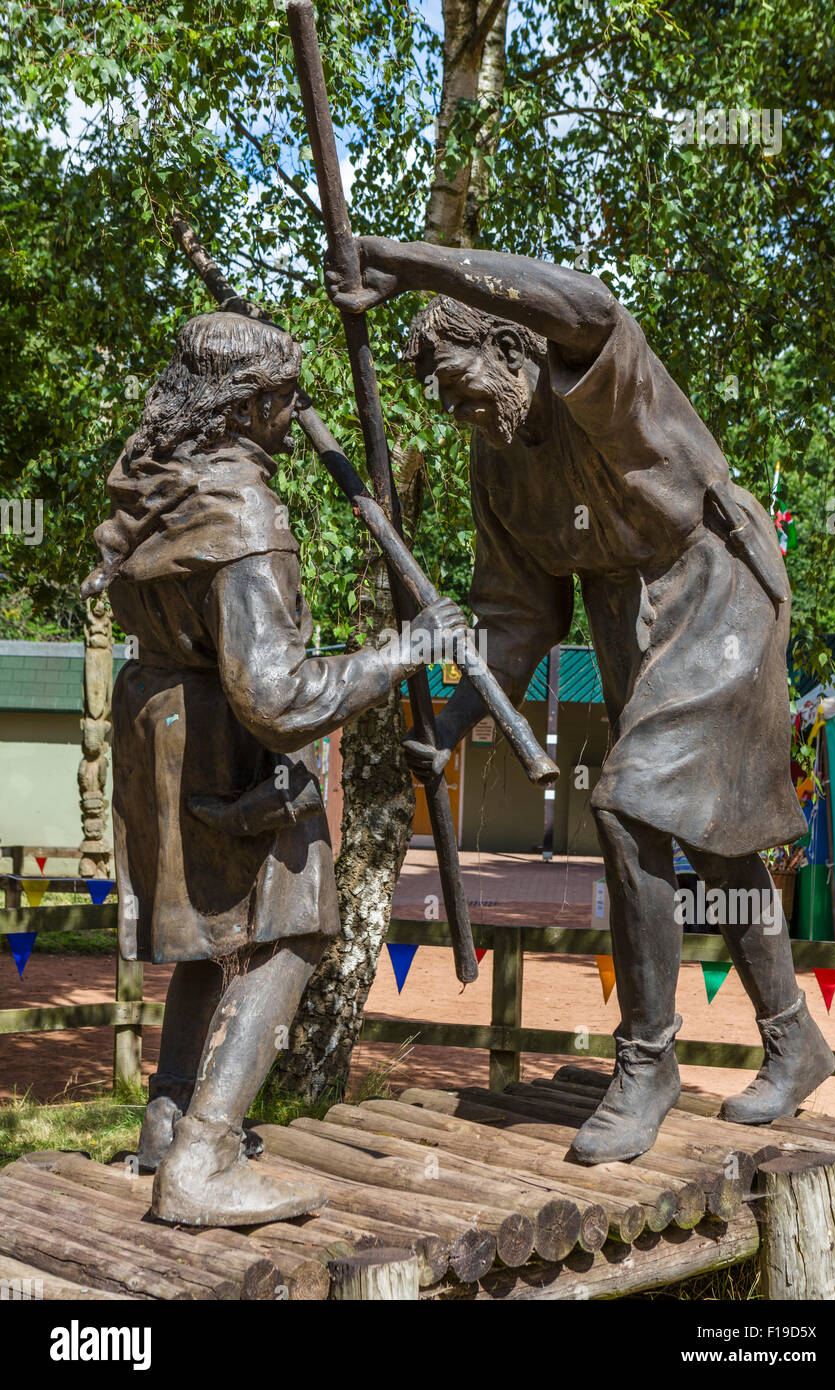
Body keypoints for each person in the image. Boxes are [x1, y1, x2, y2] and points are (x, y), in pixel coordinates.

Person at [326, 237, 835, 1164]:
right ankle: (797, 1039)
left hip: (717, 591)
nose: (453, 409)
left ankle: (646, 1062)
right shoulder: (497, 466)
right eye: (438, 398)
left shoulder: (598, 383)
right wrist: (451, 723)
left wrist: (409, 260)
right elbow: (514, 620)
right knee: (711, 837)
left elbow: (591, 304)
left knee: (627, 803)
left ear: (514, 350)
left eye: (458, 381)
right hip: (626, 612)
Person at [82, 310, 466, 1223]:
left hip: (164, 728)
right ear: (249, 405)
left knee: (219, 929)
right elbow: (276, 694)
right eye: (283, 402)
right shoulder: (242, 513)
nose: (295, 420)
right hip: (223, 737)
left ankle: (169, 1117)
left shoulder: (154, 484)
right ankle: (205, 1158)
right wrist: (402, 652)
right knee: (294, 920)